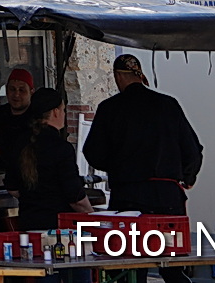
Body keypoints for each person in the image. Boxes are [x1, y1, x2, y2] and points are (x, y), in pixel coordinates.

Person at [82, 55, 203, 283]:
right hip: (168, 200)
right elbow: (193, 149)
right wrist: (188, 176)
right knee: (171, 265)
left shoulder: (109, 109)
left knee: (130, 266)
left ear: (118, 76)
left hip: (129, 201)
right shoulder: (169, 105)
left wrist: (118, 165)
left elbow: (93, 153)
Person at [13, 88, 90, 233]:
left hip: (27, 226)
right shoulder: (61, 148)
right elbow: (75, 198)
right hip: (58, 230)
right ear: (56, 112)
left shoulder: (19, 144)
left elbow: (13, 188)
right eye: (63, 110)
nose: (64, 114)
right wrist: (93, 217)